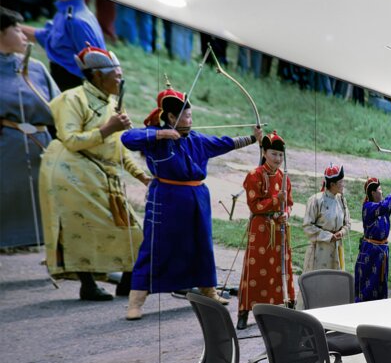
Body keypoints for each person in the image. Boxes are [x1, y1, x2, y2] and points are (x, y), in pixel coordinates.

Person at [120, 88, 263, 320]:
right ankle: (135, 302)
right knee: (154, 247)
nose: (190, 120)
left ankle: (209, 291)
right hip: (166, 197)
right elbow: (127, 138)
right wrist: (162, 134)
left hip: (197, 197)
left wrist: (253, 138)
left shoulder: (196, 139)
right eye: (186, 116)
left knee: (202, 244)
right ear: (171, 117)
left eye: (190, 115)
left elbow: (224, 143)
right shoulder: (155, 137)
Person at [38, 46, 148, 300]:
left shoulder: (112, 104)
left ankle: (127, 283)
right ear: (98, 75)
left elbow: (119, 147)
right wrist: (108, 128)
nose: (120, 80)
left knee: (133, 230)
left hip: (102, 173)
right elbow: (70, 140)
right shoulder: (72, 99)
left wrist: (141, 175)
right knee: (81, 227)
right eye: (116, 76)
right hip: (71, 171)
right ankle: (88, 285)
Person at [0, 7, 59, 249]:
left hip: (41, 143)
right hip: (7, 144)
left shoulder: (35, 67)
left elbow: (59, 106)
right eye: (16, 30)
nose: (24, 35)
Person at [236, 132, 294, 330]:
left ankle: (283, 307)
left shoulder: (284, 177)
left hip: (279, 230)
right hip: (260, 229)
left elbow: (289, 204)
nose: (277, 159)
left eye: (280, 155)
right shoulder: (254, 175)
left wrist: (286, 213)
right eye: (273, 154)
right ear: (264, 152)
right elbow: (254, 205)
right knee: (255, 270)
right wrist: (277, 200)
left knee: (279, 269)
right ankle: (244, 312)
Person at [20, 0, 105, 91]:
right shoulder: (67, 12)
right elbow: (47, 37)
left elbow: (96, 66)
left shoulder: (76, 20)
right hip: (62, 81)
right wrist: (9, 24)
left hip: (72, 87)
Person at [354, 169, 391, 302]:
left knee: (380, 287)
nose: (382, 191)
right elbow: (387, 204)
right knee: (367, 290)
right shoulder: (369, 207)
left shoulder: (382, 207)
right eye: (379, 189)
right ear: (373, 193)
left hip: (381, 255)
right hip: (370, 254)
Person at [302, 164, 350, 273]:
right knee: (318, 278)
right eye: (341, 182)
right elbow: (307, 226)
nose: (343, 184)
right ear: (332, 184)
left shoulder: (341, 200)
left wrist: (341, 232)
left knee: (334, 279)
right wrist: (329, 236)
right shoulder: (316, 200)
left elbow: (347, 223)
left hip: (337, 249)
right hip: (319, 250)